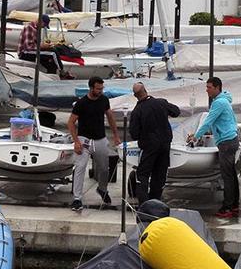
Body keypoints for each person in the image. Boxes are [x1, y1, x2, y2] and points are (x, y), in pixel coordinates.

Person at [186, 77, 240, 219]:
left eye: (209, 87)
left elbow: (208, 121)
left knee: (227, 176)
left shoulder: (219, 103)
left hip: (226, 142)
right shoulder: (224, 101)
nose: (207, 90)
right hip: (231, 138)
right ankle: (234, 205)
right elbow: (226, 121)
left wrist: (196, 136)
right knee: (231, 175)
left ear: (217, 88)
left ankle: (227, 207)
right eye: (207, 87)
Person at [68, 76, 121, 212]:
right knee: (80, 167)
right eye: (98, 89)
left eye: (102, 88)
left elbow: (110, 116)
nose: (101, 91)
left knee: (104, 168)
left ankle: (102, 189)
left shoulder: (104, 100)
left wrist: (115, 135)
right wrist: (76, 142)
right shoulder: (81, 103)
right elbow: (70, 122)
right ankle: (77, 198)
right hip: (84, 139)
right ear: (91, 88)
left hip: (100, 139)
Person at [128, 82, 181, 202]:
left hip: (149, 146)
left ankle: (144, 203)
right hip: (165, 144)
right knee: (160, 174)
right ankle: (155, 201)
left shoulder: (137, 111)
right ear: (146, 90)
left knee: (142, 174)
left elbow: (134, 134)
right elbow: (176, 112)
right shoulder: (161, 103)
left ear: (135, 96)